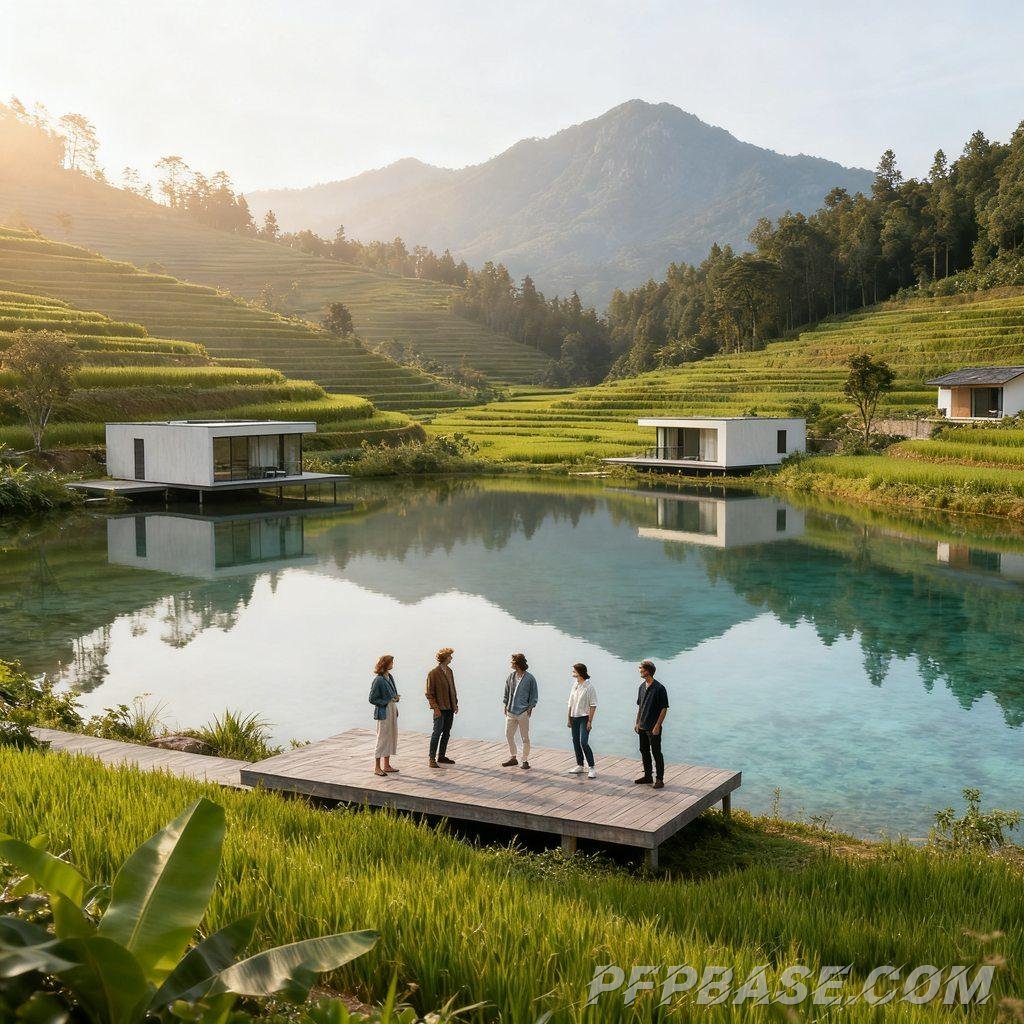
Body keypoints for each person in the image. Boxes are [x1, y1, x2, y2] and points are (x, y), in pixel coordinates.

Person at [634, 659, 669, 789]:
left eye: (641, 668)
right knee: (644, 751)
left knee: (656, 752)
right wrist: (637, 722)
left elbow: (664, 708)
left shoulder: (659, 688)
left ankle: (659, 779)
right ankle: (648, 776)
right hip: (642, 726)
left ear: (647, 671)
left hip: (653, 727)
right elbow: (640, 706)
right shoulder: (641, 687)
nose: (640, 671)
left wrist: (657, 726)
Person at [502, 652, 538, 769]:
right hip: (511, 711)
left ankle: (525, 760)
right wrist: (505, 705)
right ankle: (513, 758)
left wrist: (530, 708)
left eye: (512, 662)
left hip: (523, 712)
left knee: (525, 737)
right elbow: (506, 692)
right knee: (508, 735)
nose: (510, 664)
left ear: (517, 664)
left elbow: (534, 695)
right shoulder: (511, 677)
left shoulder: (530, 678)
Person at [426, 646, 459, 768]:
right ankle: (431, 758)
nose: (451, 657)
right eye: (450, 656)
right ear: (445, 658)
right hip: (439, 709)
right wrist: (435, 708)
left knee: (446, 732)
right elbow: (429, 694)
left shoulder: (450, 671)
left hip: (449, 707)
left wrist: (455, 704)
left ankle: (441, 756)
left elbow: (453, 689)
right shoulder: (433, 673)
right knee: (436, 733)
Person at [369, 653, 400, 777]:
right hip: (384, 711)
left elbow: (392, 693)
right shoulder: (378, 680)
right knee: (382, 738)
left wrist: (395, 701)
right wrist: (386, 702)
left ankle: (386, 765)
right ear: (386, 664)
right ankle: (377, 767)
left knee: (391, 736)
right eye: (391, 662)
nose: (393, 664)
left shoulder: (389, 677)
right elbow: (372, 699)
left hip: (391, 709)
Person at [566, 662, 597, 779]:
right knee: (575, 741)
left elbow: (593, 705)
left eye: (574, 671)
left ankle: (592, 767)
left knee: (583, 742)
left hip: (584, 718)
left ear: (579, 672)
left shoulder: (589, 687)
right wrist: (568, 718)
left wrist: (590, 721)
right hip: (574, 717)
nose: (572, 673)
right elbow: (570, 703)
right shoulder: (575, 685)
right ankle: (580, 765)